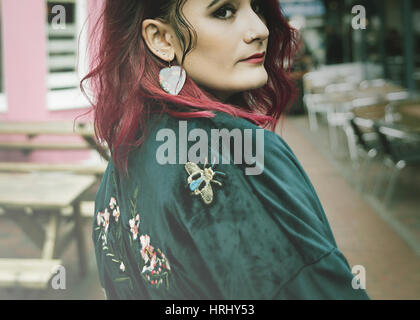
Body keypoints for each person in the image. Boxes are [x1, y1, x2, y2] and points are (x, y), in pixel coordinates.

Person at [84, 0, 370, 300]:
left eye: (257, 6)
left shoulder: (127, 150)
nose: (260, 30)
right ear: (162, 38)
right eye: (223, 11)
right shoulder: (241, 158)